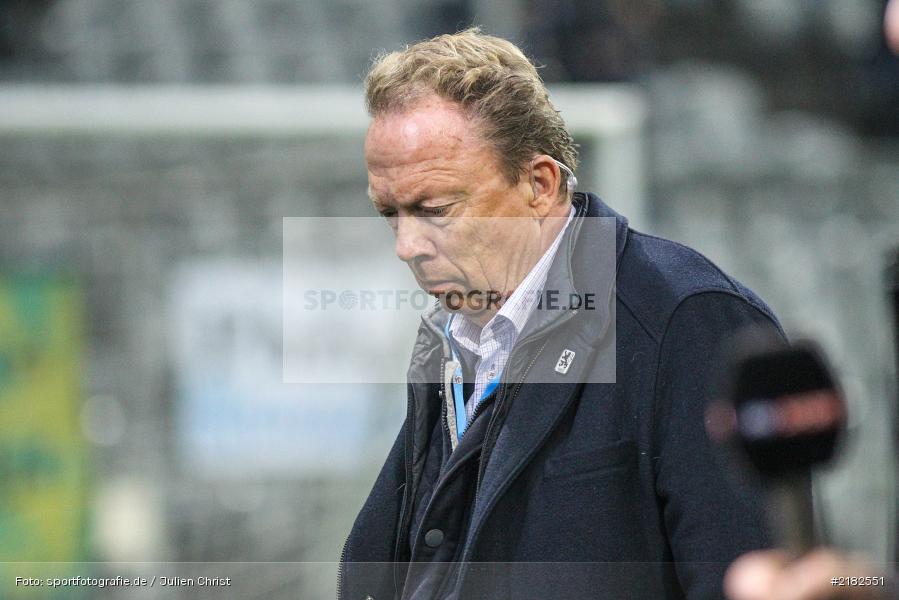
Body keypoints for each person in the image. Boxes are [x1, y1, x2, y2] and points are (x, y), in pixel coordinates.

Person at [339, 28, 784, 600]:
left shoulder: (687, 322)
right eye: (390, 215)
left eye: (435, 209)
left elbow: (746, 577)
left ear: (540, 184)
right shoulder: (459, 335)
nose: (407, 244)